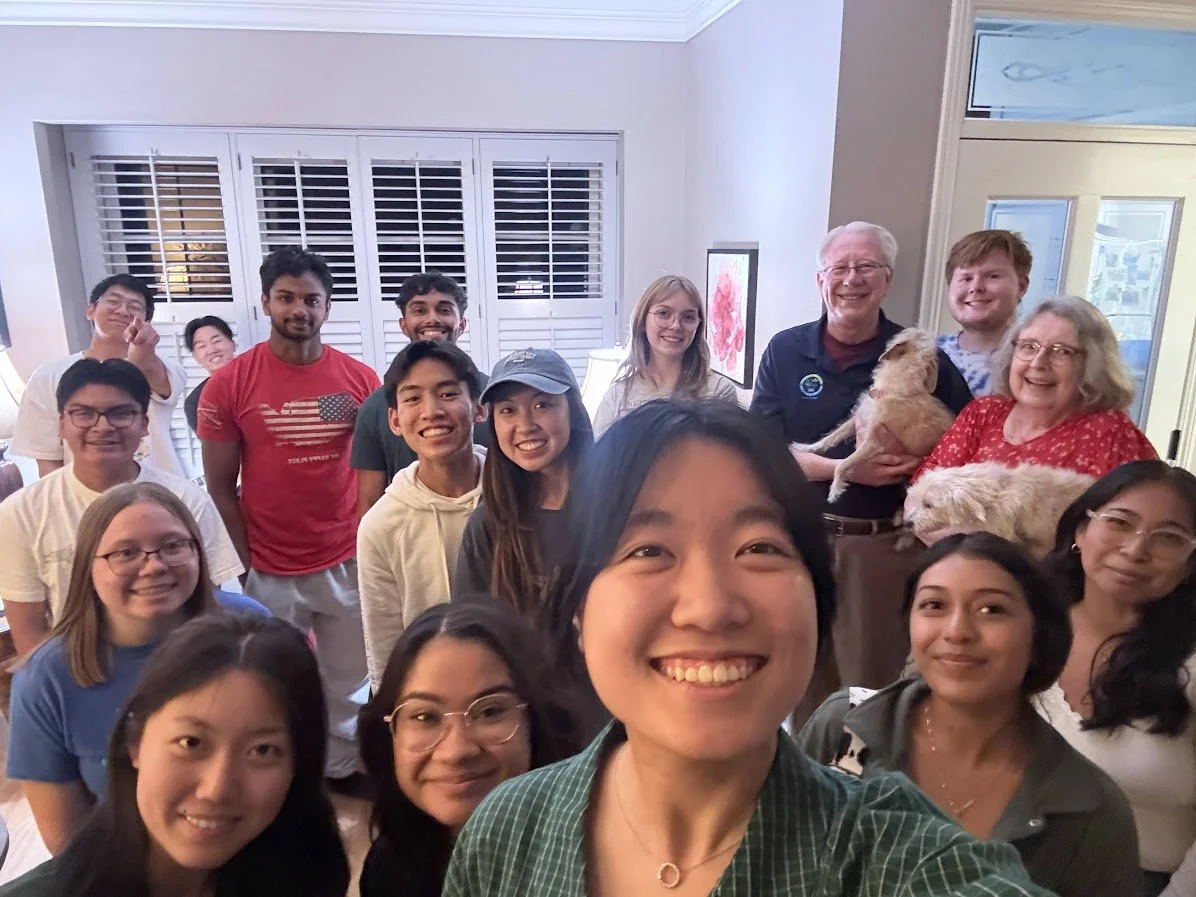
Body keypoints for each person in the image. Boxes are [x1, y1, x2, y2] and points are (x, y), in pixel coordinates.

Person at [445, 400, 1055, 897]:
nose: (709, 607)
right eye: (648, 550)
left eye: (759, 548)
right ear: (578, 606)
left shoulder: (899, 861)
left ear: (815, 597)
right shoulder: (506, 830)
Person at [796, 532, 1139, 897]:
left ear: (1040, 634)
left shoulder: (1086, 809)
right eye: (934, 606)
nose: (957, 631)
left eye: (992, 609)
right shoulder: (846, 729)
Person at [750, 221, 973, 722]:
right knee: (799, 678)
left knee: (867, 690)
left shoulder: (920, 353)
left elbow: (965, 440)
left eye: (866, 266)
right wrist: (841, 470)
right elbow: (761, 451)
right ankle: (807, 786)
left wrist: (918, 466)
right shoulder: (786, 351)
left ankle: (859, 790)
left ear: (887, 279)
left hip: (879, 550)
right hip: (797, 544)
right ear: (820, 279)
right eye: (840, 268)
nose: (851, 279)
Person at [0, 613, 349, 897]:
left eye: (262, 750)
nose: (217, 789)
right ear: (135, 743)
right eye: (191, 743)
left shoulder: (308, 876)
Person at [199, 246, 380, 787]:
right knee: (272, 678)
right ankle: (283, 777)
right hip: (270, 563)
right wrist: (246, 561)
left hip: (346, 554)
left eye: (310, 299)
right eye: (286, 298)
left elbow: (377, 472)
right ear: (265, 302)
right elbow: (218, 485)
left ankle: (343, 768)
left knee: (349, 676)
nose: (298, 309)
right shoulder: (230, 384)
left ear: (327, 308)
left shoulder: (359, 379)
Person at [5, 482, 266, 855]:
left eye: (174, 546)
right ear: (87, 567)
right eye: (125, 553)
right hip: (127, 870)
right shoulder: (45, 678)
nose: (153, 565)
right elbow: (67, 842)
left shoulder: (252, 628)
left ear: (198, 552)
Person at [0, 359, 243, 655]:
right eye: (84, 414)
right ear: (61, 424)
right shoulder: (21, 514)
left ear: (144, 424)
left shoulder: (187, 500)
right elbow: (30, 636)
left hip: (177, 665)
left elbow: (206, 605)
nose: (103, 426)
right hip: (76, 674)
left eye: (121, 413)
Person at [1033, 461, 1196, 897]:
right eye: (1119, 523)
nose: (1135, 550)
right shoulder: (1023, 625)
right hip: (997, 864)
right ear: (1080, 531)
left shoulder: (1191, 664)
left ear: (1190, 562)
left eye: (1170, 538)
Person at [357, 601, 580, 897]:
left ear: (538, 721)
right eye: (425, 717)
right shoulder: (389, 867)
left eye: (489, 712)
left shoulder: (598, 869)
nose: (456, 751)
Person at [358, 341, 487, 690]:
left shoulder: (515, 496)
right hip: (431, 691)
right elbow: (383, 642)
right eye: (413, 398)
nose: (431, 411)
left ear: (478, 407)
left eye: (447, 394)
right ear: (395, 420)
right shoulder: (381, 525)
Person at [916, 295, 1157, 481]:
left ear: (1091, 364)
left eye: (1062, 351)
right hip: (947, 544)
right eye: (1029, 346)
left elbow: (1140, 522)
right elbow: (922, 492)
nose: (1038, 363)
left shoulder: (1111, 433)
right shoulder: (983, 413)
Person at [451, 348, 594, 615]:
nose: (525, 425)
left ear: (572, 411)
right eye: (508, 410)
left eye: (542, 405)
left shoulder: (618, 506)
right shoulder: (487, 524)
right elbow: (471, 631)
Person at [10, 273, 187, 478]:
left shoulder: (163, 367)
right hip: (87, 502)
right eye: (113, 301)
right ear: (90, 310)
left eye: (134, 306)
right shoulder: (47, 377)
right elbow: (48, 459)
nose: (122, 310)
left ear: (146, 321)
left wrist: (143, 354)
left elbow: (158, 380)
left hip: (160, 495)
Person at [351, 272, 489, 520]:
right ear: (404, 324)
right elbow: (370, 501)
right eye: (420, 310)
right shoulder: (375, 408)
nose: (433, 319)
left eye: (444, 310)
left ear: (462, 324)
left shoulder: (494, 395)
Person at [593, 275, 738, 436]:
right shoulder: (617, 396)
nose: (676, 325)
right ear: (642, 321)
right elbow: (600, 459)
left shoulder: (718, 391)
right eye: (663, 313)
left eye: (688, 317)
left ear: (698, 326)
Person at [937, 230, 1032, 396]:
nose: (976, 287)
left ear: (1022, 287)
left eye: (993, 276)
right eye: (966, 278)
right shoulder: (927, 355)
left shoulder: (1034, 360)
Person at [182, 315, 236, 433]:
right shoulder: (195, 402)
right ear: (195, 357)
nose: (212, 350)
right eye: (201, 346)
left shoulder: (261, 379)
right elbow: (213, 449)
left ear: (233, 344)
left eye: (217, 341)